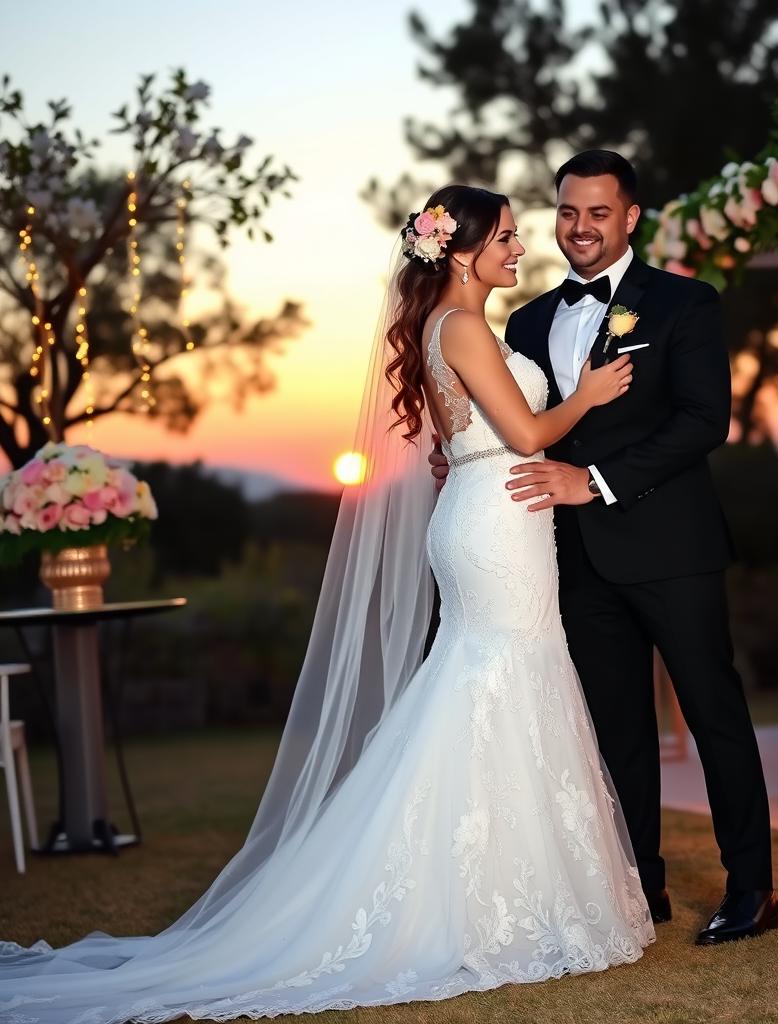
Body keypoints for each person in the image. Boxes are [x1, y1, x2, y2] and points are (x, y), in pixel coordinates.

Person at [0, 184, 654, 1023]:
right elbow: (527, 436)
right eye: (505, 235)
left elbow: (469, 439)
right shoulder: (460, 326)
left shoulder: (449, 328)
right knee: (498, 679)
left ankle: (497, 888)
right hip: (498, 520)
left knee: (481, 683)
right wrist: (589, 396)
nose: (519, 246)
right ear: (459, 251)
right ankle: (486, 902)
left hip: (489, 515)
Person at [430, 151, 778, 946]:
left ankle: (752, 888)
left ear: (630, 218)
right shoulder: (523, 321)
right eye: (567, 213)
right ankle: (638, 885)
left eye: (597, 213)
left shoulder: (687, 305)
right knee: (611, 727)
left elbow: (702, 422)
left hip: (672, 545)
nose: (579, 228)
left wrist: (596, 482)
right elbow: (503, 424)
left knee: (714, 713)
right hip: (571, 558)